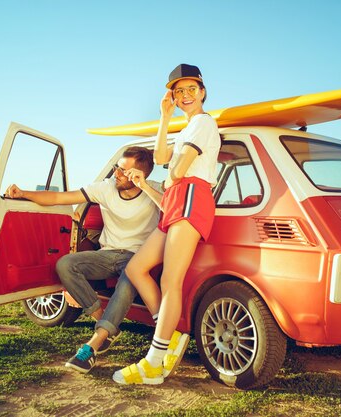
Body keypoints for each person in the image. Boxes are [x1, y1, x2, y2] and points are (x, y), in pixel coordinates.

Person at [5, 146, 163, 373]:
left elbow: (173, 207)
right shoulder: (106, 188)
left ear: (139, 175)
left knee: (129, 277)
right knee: (66, 265)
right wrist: (24, 193)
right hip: (107, 254)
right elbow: (61, 197)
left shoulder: (153, 191)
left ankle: (93, 344)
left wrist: (146, 187)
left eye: (123, 171)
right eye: (117, 168)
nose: (116, 174)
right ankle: (104, 324)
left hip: (138, 258)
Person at [113, 64, 221, 385]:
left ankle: (154, 362)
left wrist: (170, 171)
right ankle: (168, 335)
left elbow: (175, 172)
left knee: (171, 282)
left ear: (202, 92)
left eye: (191, 89)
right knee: (136, 268)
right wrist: (164, 118)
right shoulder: (187, 128)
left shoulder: (203, 123)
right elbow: (161, 157)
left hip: (191, 199)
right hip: (178, 200)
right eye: (178, 91)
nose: (185, 96)